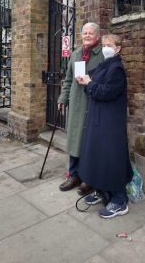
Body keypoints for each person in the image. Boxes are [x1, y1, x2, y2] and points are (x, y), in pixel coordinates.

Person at [77, 34, 133, 219]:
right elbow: (93, 81)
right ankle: (101, 191)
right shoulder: (104, 64)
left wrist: (90, 83)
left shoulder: (116, 69)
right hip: (98, 118)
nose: (106, 48)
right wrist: (87, 80)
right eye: (104, 45)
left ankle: (119, 201)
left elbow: (107, 91)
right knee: (97, 156)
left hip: (110, 122)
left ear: (118, 49)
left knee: (111, 158)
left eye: (110, 45)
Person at [58, 23, 104, 194]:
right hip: (77, 103)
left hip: (94, 103)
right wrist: (63, 98)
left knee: (90, 141)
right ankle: (74, 174)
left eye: (91, 33)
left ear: (97, 36)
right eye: (85, 33)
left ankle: (88, 178)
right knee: (75, 139)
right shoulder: (76, 54)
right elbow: (68, 79)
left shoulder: (102, 55)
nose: (87, 36)